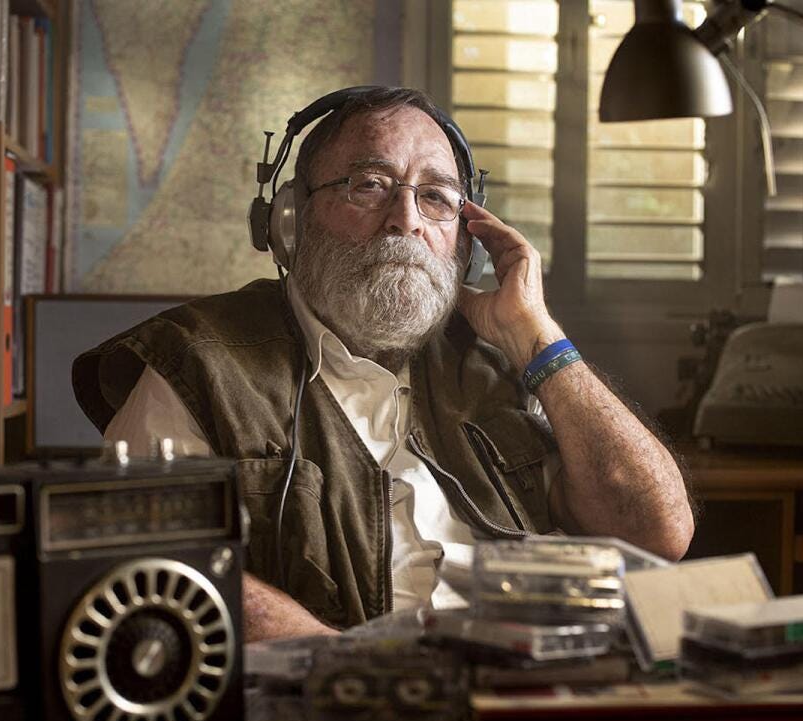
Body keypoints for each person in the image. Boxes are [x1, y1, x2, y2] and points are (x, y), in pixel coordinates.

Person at [73, 86, 694, 642]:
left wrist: (539, 341)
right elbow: (152, 560)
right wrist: (358, 674)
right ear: (289, 219)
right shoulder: (196, 363)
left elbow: (655, 534)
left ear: (466, 238)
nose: (405, 220)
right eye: (368, 185)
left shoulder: (504, 364)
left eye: (437, 198)